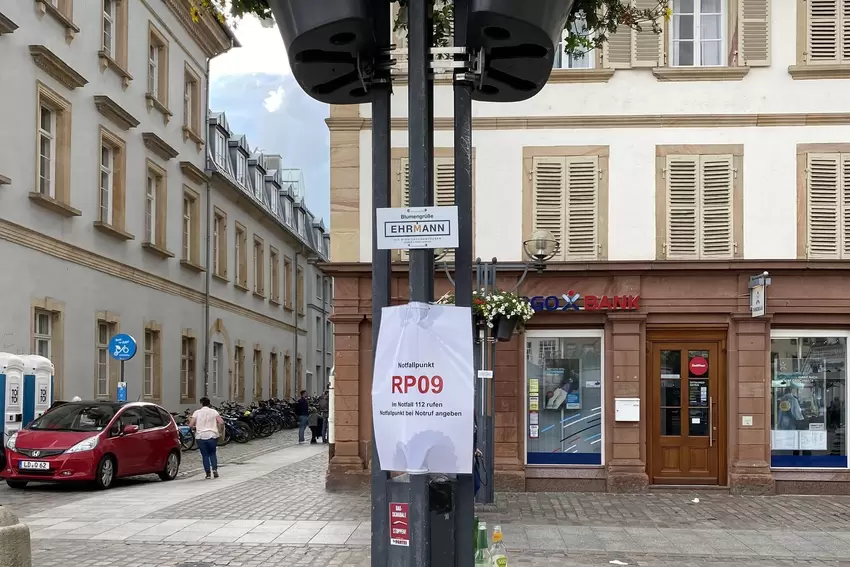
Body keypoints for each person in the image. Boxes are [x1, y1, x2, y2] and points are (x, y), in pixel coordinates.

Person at [189, 397, 224, 479]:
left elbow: (190, 425)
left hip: (200, 436)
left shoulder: (197, 412)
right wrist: (219, 430)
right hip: (212, 435)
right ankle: (215, 470)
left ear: (201, 404)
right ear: (209, 404)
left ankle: (208, 473)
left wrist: (195, 427)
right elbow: (221, 422)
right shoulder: (214, 412)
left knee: (205, 455)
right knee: (212, 453)